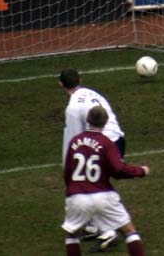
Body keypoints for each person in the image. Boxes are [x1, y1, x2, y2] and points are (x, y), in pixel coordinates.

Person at [62, 105, 150, 256]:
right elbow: (118, 170)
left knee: (72, 236)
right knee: (129, 231)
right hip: (103, 195)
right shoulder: (106, 143)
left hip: (76, 196)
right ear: (106, 122)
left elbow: (67, 171)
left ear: (88, 120)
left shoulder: (75, 141)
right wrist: (140, 171)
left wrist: (72, 191)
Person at [59, 68, 127, 251]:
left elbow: (75, 140)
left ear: (61, 85)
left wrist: (70, 166)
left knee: (90, 186)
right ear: (80, 80)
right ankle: (95, 226)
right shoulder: (93, 93)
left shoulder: (72, 108)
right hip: (117, 140)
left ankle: (108, 231)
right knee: (94, 184)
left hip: (104, 144)